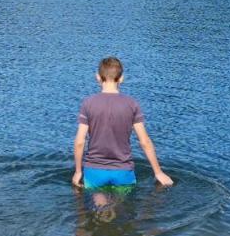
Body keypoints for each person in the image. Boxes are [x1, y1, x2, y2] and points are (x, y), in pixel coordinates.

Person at [72, 57, 173, 189]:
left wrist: (78, 171)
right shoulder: (132, 104)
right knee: (121, 206)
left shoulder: (88, 103)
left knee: (98, 204)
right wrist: (158, 173)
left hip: (94, 170)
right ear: (121, 78)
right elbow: (144, 141)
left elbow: (80, 142)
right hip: (123, 170)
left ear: (98, 77)